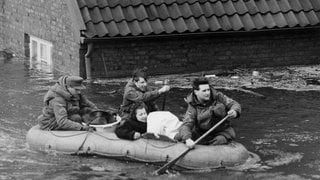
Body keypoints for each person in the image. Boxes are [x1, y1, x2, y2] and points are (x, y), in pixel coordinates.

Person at [175, 77, 241, 148]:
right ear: (196, 92)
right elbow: (187, 124)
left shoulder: (219, 97)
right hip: (201, 133)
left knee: (219, 140)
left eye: (208, 90)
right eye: (204, 91)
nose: (207, 93)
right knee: (180, 137)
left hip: (221, 132)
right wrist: (187, 139)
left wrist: (235, 112)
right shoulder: (192, 105)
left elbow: (234, 104)